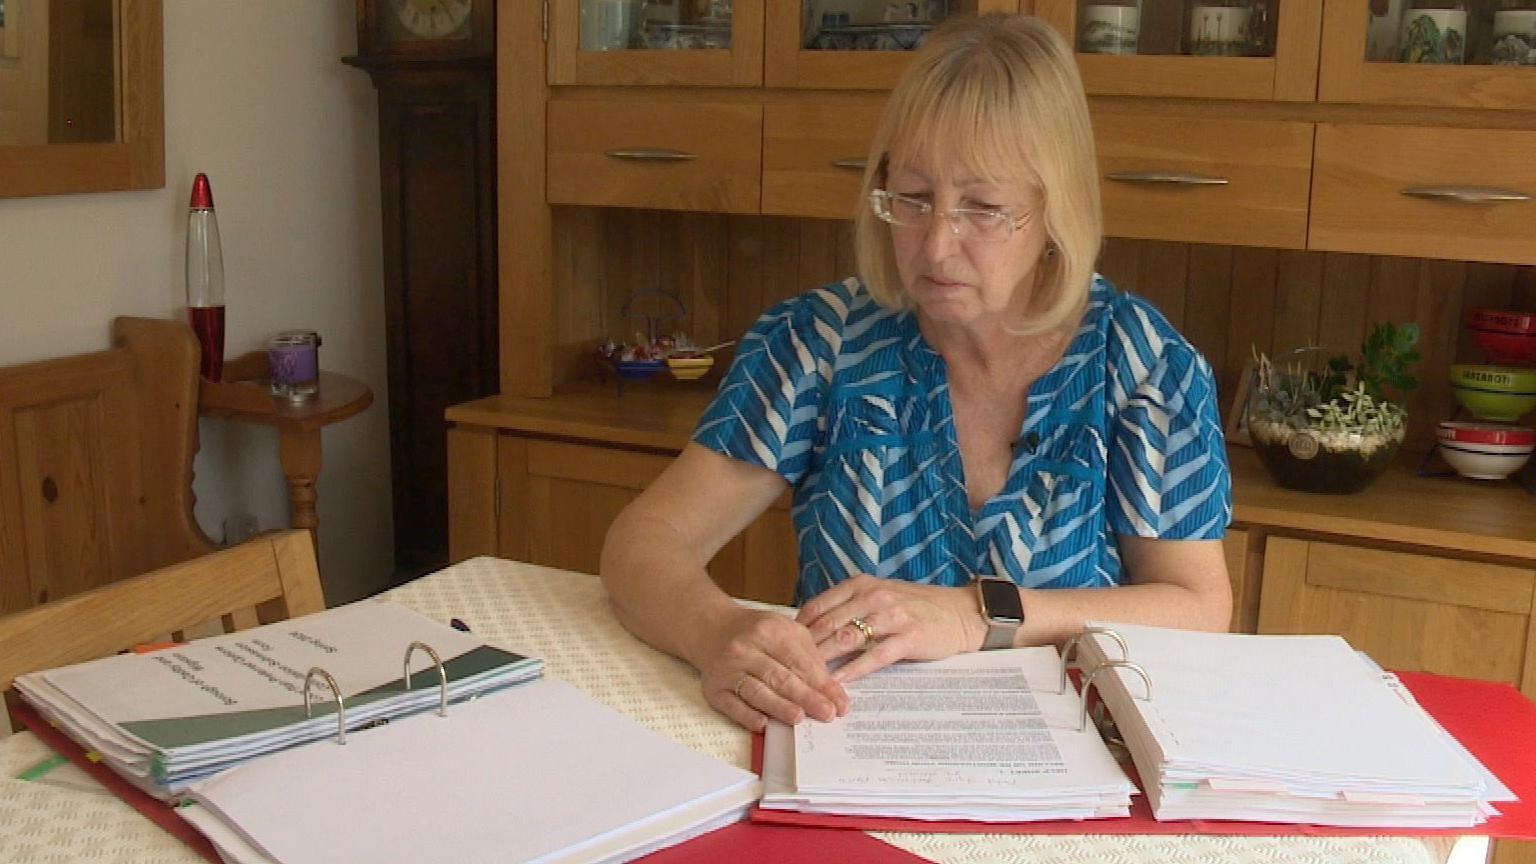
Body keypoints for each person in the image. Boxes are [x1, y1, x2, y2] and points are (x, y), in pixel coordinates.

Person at [599, 12, 1232, 734]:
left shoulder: (1144, 368)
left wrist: (975, 614)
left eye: (983, 208)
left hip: (1060, 760)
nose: (936, 245)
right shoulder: (821, 345)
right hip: (845, 742)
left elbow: (1197, 606)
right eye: (913, 198)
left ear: (1055, 212)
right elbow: (643, 542)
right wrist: (715, 630)